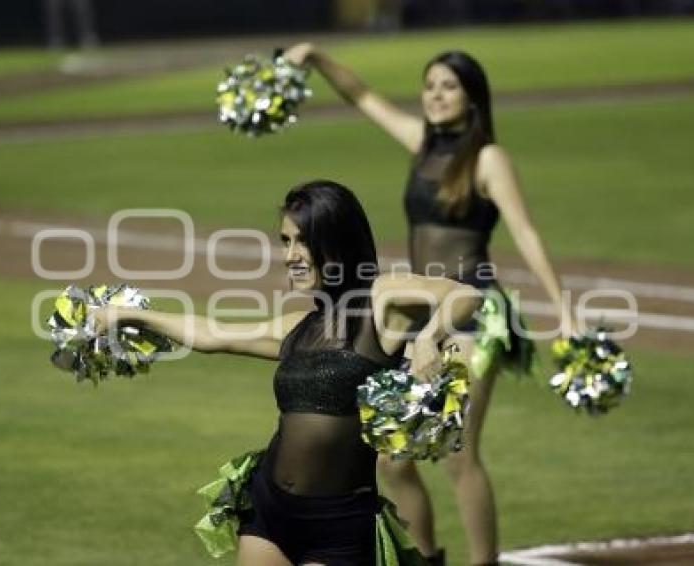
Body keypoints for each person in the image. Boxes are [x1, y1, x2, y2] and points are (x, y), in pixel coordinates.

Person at [283, 46, 574, 565]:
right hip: (418, 315)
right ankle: (427, 558)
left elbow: (525, 232)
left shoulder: (488, 159)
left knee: (457, 455)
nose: (436, 95)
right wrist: (319, 59)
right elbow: (362, 96)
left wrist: (564, 310)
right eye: (429, 85)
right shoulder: (421, 143)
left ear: (472, 97)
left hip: (470, 312)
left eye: (449, 86)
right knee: (393, 461)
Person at [94, 180, 481, 565]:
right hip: (269, 511)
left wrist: (430, 337)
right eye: (285, 241)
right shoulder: (299, 326)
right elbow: (214, 334)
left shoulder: (382, 303)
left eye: (304, 241)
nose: (292, 255)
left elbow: (465, 295)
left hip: (338, 524)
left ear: (338, 241)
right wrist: (130, 314)